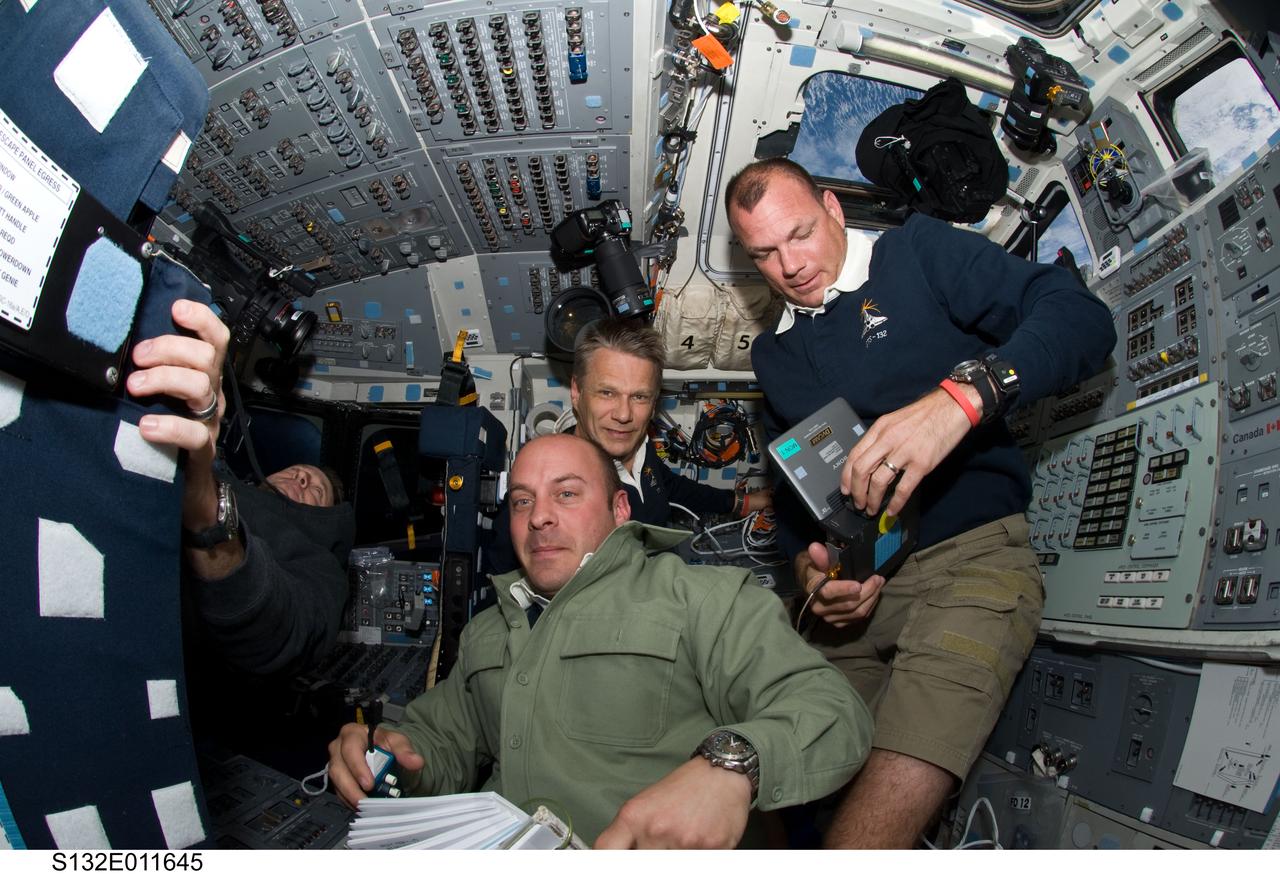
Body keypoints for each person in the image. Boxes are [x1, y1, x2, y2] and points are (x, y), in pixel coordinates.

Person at [725, 157, 1115, 847]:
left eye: (802, 234)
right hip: (856, 597)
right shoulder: (773, 359)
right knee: (768, 801)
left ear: (835, 208)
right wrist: (811, 574)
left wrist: (964, 399)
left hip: (970, 563)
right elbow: (795, 500)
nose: (791, 265)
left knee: (862, 840)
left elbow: (1079, 318)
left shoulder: (918, 253)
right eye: (765, 254)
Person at [327, 433, 871, 848]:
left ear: (619, 511)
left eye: (566, 494)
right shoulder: (487, 630)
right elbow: (440, 744)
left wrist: (733, 768)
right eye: (521, 501)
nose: (539, 516)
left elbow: (831, 709)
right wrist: (391, 756)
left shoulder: (701, 599)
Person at [126, 299, 354, 676]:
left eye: (316, 490)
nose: (301, 478)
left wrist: (207, 514)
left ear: (326, 520)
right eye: (299, 470)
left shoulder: (320, 566)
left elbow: (281, 632)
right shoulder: (222, 475)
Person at [485, 318, 770, 573]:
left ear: (654, 402)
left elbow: (670, 487)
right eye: (607, 393)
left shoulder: (642, 451)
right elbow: (507, 579)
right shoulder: (545, 484)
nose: (623, 415)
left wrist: (744, 502)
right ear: (577, 392)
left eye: (640, 397)